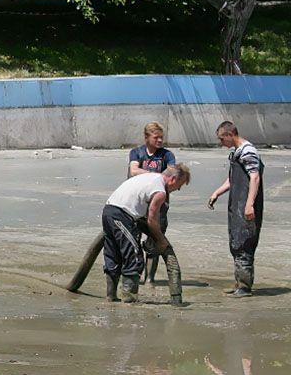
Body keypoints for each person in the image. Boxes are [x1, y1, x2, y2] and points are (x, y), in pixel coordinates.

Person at [102, 164, 190, 305]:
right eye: (179, 185)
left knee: (114, 254)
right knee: (134, 256)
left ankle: (111, 297)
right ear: (173, 179)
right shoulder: (160, 191)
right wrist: (161, 241)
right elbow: (151, 220)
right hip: (122, 216)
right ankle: (129, 300)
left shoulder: (150, 177)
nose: (178, 189)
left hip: (108, 210)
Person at [208, 121, 264, 298]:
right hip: (237, 205)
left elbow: (254, 178)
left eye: (222, 139)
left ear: (230, 134)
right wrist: (217, 193)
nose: (221, 143)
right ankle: (239, 283)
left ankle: (245, 287)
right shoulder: (236, 153)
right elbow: (232, 179)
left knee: (244, 243)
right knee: (236, 243)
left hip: (245, 206)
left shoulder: (248, 151)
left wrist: (249, 204)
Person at [128, 121, 177, 284]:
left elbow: (170, 175)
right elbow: (133, 170)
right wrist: (154, 175)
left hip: (160, 205)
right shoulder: (136, 152)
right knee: (133, 239)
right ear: (146, 137)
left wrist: (149, 176)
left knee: (155, 240)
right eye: (156, 137)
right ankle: (136, 274)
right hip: (138, 205)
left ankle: (150, 279)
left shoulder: (167, 155)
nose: (160, 141)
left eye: (162, 137)